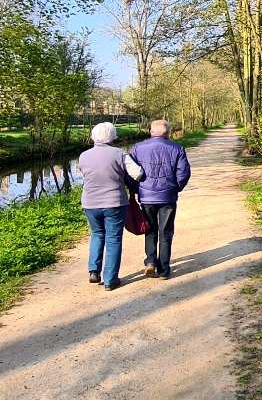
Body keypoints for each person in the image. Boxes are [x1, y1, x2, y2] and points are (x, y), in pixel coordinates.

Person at [78, 122, 144, 291]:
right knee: (113, 239)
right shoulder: (119, 154)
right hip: (114, 202)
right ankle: (110, 279)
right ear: (113, 136)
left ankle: (94, 271)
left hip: (90, 203)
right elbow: (137, 173)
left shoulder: (83, 156)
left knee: (97, 234)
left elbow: (84, 174)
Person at [130, 119, 191, 279]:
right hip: (167, 197)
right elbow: (184, 173)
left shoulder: (137, 148)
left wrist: (137, 189)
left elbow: (130, 172)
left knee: (150, 230)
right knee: (166, 232)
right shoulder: (177, 148)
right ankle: (164, 269)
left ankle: (150, 261)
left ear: (151, 131)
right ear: (168, 132)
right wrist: (175, 187)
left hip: (146, 197)